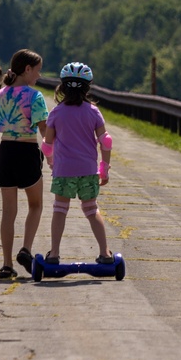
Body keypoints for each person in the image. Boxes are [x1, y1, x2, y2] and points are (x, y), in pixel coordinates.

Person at [0, 49, 48, 279]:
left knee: (8, 212)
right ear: (27, 69)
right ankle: (26, 250)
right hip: (27, 152)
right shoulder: (34, 97)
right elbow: (44, 130)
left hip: (6, 152)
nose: (39, 76)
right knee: (36, 205)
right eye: (37, 71)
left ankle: (7, 264)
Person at [40, 62, 114, 265]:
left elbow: (47, 145)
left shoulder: (56, 113)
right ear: (87, 87)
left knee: (60, 209)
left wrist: (51, 162)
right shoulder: (93, 111)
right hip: (88, 170)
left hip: (64, 171)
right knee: (91, 209)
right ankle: (105, 253)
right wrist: (104, 169)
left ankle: (54, 254)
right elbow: (105, 142)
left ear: (62, 87)